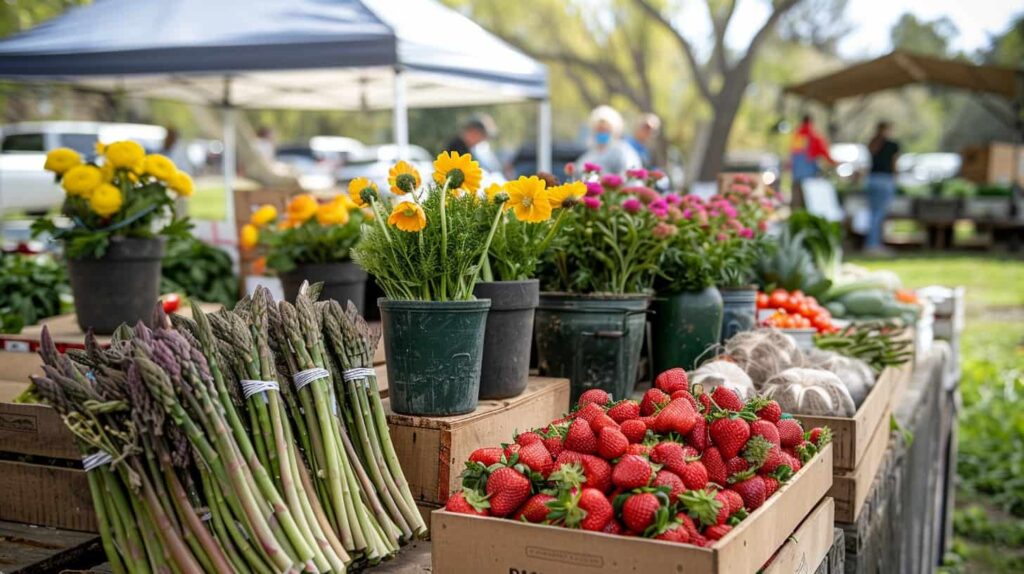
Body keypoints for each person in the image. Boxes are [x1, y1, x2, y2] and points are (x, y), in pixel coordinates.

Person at [576, 105, 641, 175]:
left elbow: (631, 174)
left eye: (605, 129)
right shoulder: (589, 155)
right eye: (599, 129)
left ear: (614, 130)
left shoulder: (623, 152)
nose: (602, 132)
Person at [865, 121, 899, 254]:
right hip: (885, 179)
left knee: (873, 213)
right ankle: (874, 244)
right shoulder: (892, 145)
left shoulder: (872, 143)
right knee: (879, 214)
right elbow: (894, 163)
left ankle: (872, 243)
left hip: (872, 179)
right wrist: (896, 178)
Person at [789, 114, 835, 208]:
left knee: (797, 201)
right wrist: (834, 163)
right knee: (809, 202)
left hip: (796, 175)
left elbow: (792, 155)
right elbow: (824, 152)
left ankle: (795, 217)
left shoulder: (796, 135)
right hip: (809, 177)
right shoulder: (814, 136)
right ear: (811, 122)